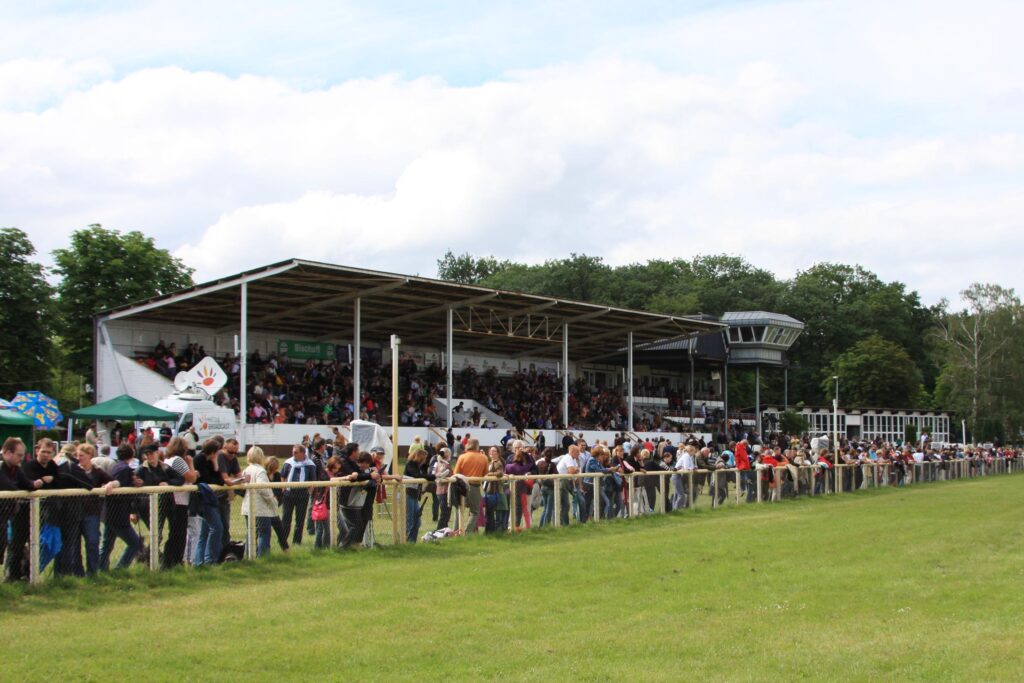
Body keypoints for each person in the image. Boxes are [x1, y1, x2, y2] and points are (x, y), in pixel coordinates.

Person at [1, 438, 45, 581]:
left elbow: (25, 484)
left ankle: (11, 578)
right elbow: (11, 486)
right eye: (19, 455)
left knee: (5, 544)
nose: (21, 458)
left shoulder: (16, 469)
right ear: (7, 453)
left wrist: (35, 484)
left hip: (5, 516)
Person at [100, 444, 143, 570]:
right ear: (132, 454)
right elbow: (119, 486)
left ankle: (100, 569)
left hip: (109, 513)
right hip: (118, 514)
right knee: (135, 543)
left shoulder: (116, 466)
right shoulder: (124, 469)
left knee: (107, 545)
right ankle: (120, 568)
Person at [162, 437, 196, 568]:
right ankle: (173, 562)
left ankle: (171, 562)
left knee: (175, 532)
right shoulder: (178, 460)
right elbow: (191, 477)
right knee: (178, 534)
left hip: (173, 500)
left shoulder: (168, 460)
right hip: (179, 501)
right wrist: (191, 463)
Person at [192, 440, 226, 567]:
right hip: (202, 499)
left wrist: (216, 465)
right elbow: (207, 479)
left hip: (208, 498)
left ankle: (198, 562)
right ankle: (209, 559)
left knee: (205, 531)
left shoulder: (210, 461)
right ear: (212, 452)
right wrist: (216, 477)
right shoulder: (199, 459)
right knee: (217, 528)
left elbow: (218, 479)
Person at [241, 447, 277, 557]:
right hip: (260, 509)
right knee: (264, 533)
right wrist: (273, 501)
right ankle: (263, 557)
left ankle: (249, 556)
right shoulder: (260, 471)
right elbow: (263, 488)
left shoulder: (246, 470)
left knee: (250, 532)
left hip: (248, 508)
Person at [280, 444, 317, 545]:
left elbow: (313, 480)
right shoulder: (288, 463)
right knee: (286, 518)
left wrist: (309, 491)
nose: (293, 454)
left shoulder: (310, 464)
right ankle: (283, 540)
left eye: (295, 452)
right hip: (288, 493)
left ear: (302, 453)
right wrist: (284, 487)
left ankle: (297, 542)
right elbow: (283, 475)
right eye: (293, 452)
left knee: (300, 520)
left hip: (302, 494)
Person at [452, 438, 488, 533]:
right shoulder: (483, 457)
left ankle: (456, 531)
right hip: (475, 487)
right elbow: (485, 474)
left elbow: (456, 473)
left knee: (459, 510)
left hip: (462, 487)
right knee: (475, 511)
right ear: (477, 446)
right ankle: (468, 532)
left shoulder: (462, 457)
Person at [403, 448, 435, 543]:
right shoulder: (410, 464)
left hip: (415, 495)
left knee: (417, 520)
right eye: (423, 458)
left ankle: (412, 541)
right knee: (411, 520)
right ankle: (408, 541)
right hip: (409, 494)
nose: (424, 460)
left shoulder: (417, 465)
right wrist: (431, 476)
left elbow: (420, 474)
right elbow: (417, 475)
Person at [504, 441, 536, 530]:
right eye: (516, 448)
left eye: (520, 447)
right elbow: (506, 471)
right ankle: (512, 526)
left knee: (526, 508)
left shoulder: (529, 457)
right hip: (513, 488)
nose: (518, 449)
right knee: (513, 508)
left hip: (527, 488)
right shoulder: (510, 458)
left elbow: (535, 470)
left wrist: (530, 473)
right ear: (513, 449)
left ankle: (527, 528)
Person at [264, 457, 290, 551]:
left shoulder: (277, 475)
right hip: (264, 507)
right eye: (273, 467)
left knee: (280, 529)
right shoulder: (263, 475)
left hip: (274, 506)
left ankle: (285, 549)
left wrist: (276, 497)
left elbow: (280, 490)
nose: (274, 469)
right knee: (264, 531)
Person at [433, 448, 453, 530]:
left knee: (444, 513)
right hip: (445, 491)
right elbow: (450, 475)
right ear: (448, 455)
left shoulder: (437, 464)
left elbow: (433, 474)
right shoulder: (446, 465)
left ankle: (444, 529)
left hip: (438, 491)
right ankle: (440, 530)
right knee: (445, 514)